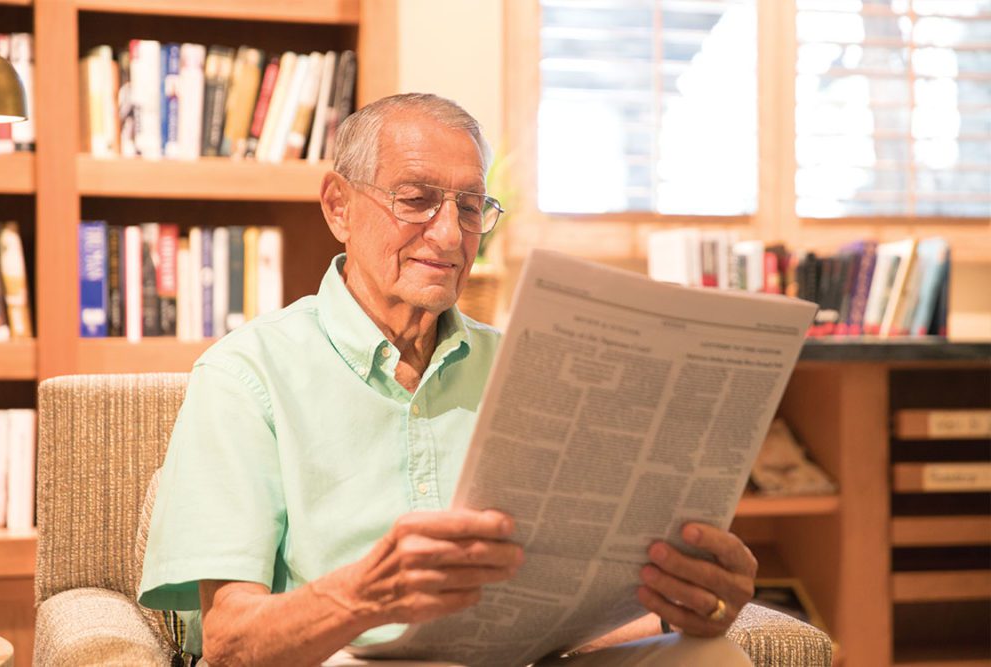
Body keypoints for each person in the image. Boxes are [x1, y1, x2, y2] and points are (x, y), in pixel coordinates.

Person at [139, 93, 756, 666]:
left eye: (469, 207)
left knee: (709, 656)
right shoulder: (245, 374)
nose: (448, 234)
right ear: (339, 207)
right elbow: (228, 642)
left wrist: (689, 601)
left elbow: (579, 619)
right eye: (415, 200)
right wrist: (364, 598)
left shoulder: (529, 367)